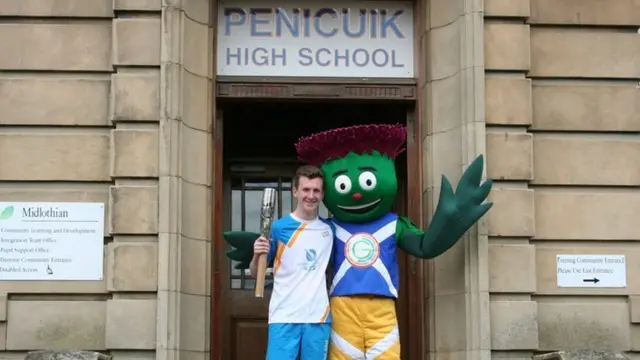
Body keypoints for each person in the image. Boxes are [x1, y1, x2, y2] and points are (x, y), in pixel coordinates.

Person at [249, 165, 334, 360]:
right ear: (295, 191)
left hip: (318, 318)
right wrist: (256, 255)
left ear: (322, 195)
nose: (310, 196)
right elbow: (256, 274)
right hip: (284, 316)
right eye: (306, 189)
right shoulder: (278, 228)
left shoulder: (330, 230)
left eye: (316, 190)